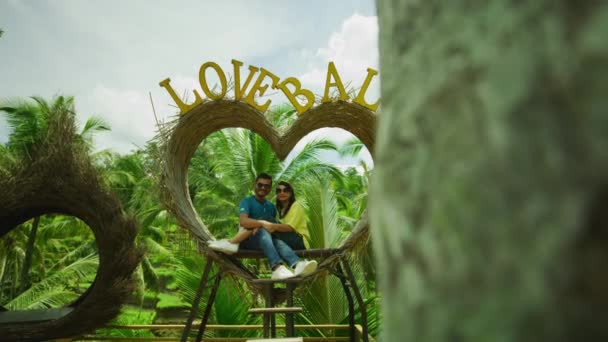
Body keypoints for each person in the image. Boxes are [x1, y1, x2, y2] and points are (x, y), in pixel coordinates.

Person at [208, 173, 317, 280]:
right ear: (254, 185)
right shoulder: (247, 201)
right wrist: (262, 223)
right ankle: (233, 243)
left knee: (272, 237)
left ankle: (293, 265)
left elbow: (272, 229)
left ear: (270, 188)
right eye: (260, 185)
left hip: (266, 241)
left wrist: (260, 225)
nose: (263, 188)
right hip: (247, 241)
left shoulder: (271, 207)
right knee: (265, 224)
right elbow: (243, 222)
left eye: (266, 186)